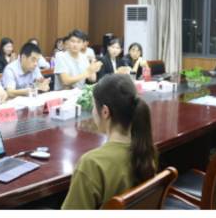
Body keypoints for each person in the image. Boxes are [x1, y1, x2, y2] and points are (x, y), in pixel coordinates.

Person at [61, 74, 157, 209]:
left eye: (94, 106)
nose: (92, 111)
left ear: (105, 112)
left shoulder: (92, 163)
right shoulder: (146, 149)